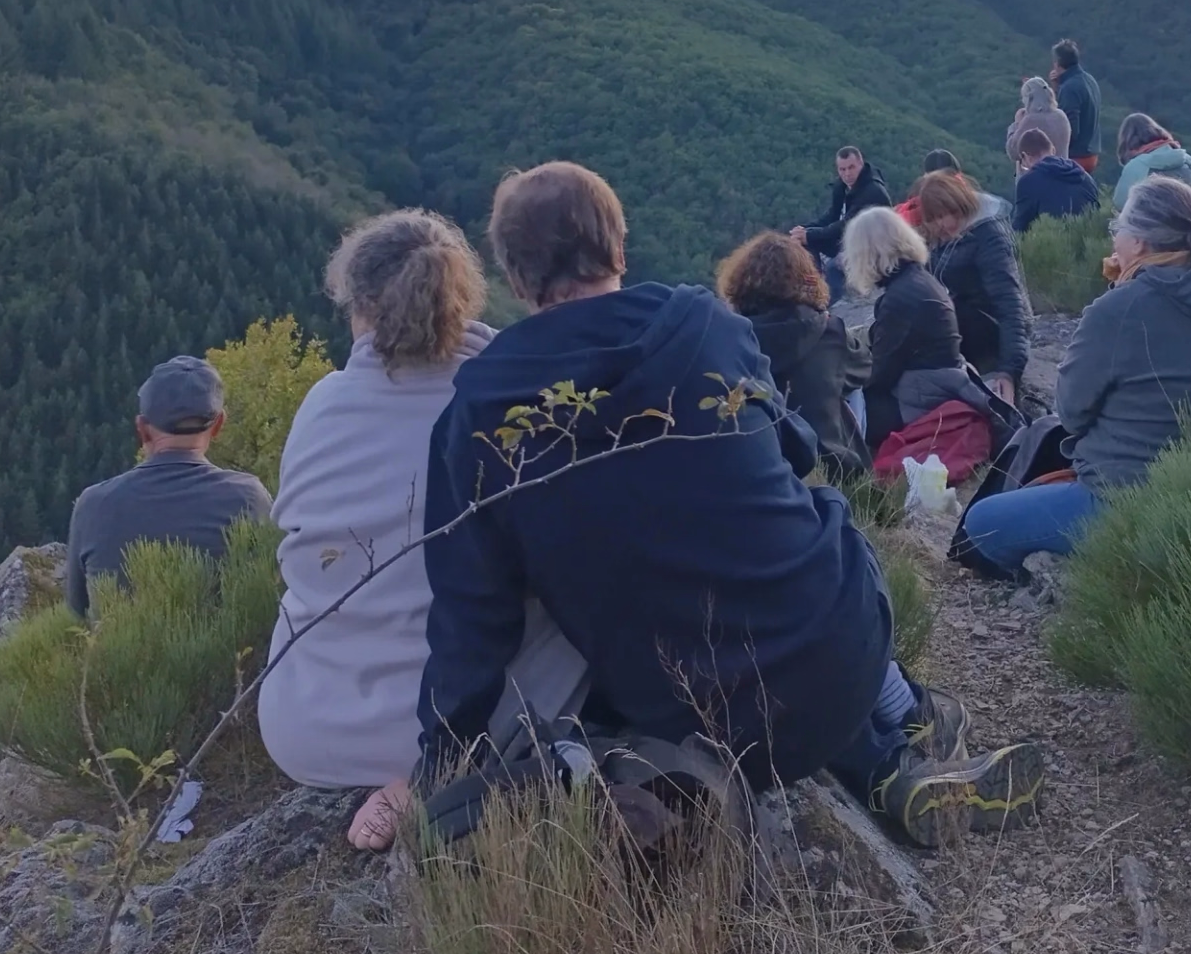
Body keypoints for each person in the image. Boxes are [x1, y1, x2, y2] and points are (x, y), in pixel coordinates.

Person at [409, 162, 1043, 849]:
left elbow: (471, 615)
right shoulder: (704, 322)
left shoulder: (478, 409)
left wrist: (440, 764)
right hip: (839, 652)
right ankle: (901, 733)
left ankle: (893, 759)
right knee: (817, 514)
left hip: (694, 718)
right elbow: (799, 452)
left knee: (657, 624)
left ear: (515, 276)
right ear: (619, 248)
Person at [257, 210, 495, 850]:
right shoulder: (502, 395)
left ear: (358, 304)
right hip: (458, 724)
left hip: (307, 729)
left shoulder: (323, 405)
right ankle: (426, 777)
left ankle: (404, 777)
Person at [957, 177, 1191, 577]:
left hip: (1126, 501)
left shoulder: (1120, 308)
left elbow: (1071, 412)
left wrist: (1116, 295)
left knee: (983, 521)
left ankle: (1072, 571)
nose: (1115, 238)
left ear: (1138, 243)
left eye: (1118, 228)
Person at [63, 356, 271, 619]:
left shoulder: (92, 504)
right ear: (219, 425)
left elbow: (76, 611)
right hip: (228, 660)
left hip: (119, 659)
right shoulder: (249, 497)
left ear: (142, 428)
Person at [716, 230, 870, 478]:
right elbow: (865, 366)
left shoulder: (728, 338)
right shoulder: (829, 332)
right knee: (851, 387)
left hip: (760, 471)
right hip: (831, 469)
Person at [843, 205, 995, 453]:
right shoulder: (917, 279)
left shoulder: (900, 299)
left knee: (842, 415)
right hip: (943, 386)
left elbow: (879, 375)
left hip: (923, 399)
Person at [916, 168, 1033, 409]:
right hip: (967, 326)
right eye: (934, 218)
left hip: (990, 333)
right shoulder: (947, 236)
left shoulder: (989, 237)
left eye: (944, 215)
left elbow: (1011, 305)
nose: (941, 224)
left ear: (958, 206)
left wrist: (1008, 372)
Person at [790, 145, 892, 272]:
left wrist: (809, 235)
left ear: (861, 164)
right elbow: (831, 216)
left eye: (851, 167)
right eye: (842, 169)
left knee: (834, 268)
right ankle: (816, 282)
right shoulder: (842, 186)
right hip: (848, 240)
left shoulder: (872, 192)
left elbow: (847, 225)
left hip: (871, 245)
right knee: (805, 243)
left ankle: (829, 289)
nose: (847, 174)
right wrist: (802, 230)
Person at [1010, 128, 1102, 232]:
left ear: (1026, 157)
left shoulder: (1028, 182)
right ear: (1053, 150)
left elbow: (1018, 230)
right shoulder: (1086, 178)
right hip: (1087, 243)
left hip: (1051, 245)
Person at [1111, 114, 1191, 212]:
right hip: (1189, 222)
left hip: (1150, 224)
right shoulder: (1187, 159)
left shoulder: (1137, 165)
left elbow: (1121, 203)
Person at [1050, 40, 1102, 172]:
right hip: (1091, 152)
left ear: (1057, 63)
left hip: (1077, 157)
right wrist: (1057, 86)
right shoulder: (1089, 79)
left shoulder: (1070, 88)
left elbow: (1069, 129)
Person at [1005, 77, 1071, 163]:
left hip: (1038, 174)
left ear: (1028, 99)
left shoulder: (1030, 120)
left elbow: (1013, 152)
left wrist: (1017, 124)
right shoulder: (1061, 116)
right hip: (1062, 171)